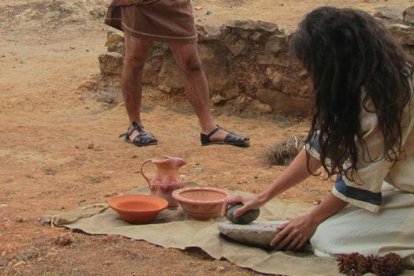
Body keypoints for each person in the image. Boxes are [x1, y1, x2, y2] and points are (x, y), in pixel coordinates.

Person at [223, 7, 414, 263]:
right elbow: (319, 146)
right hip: (404, 187)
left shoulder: (387, 96)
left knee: (327, 236)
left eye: (312, 65)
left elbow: (359, 181)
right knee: (330, 220)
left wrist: (312, 219)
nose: (309, 73)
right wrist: (262, 197)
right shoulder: (365, 80)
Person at [104, 0, 249, 147]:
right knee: (135, 60)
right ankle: (134, 126)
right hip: (139, 4)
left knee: (191, 63)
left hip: (174, 3)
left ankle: (209, 129)